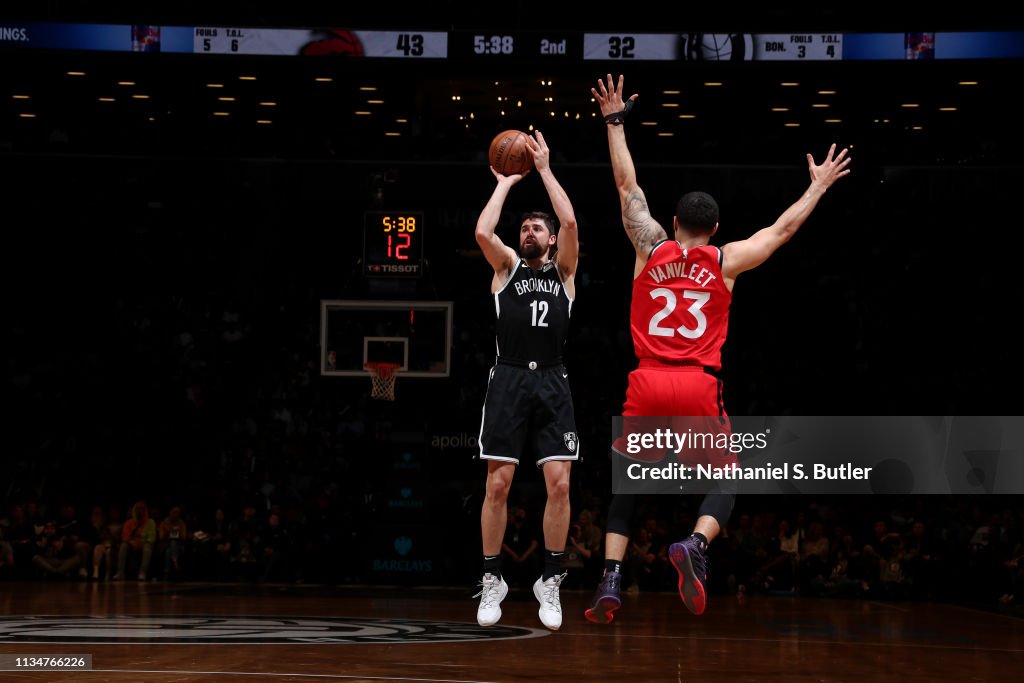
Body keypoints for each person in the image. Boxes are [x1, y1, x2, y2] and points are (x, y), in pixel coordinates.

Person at [585, 73, 851, 624]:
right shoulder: (726, 261)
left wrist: (615, 123)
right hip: (698, 382)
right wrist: (818, 186)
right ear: (716, 227)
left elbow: (625, 185)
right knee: (726, 481)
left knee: (628, 485)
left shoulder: (649, 247)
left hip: (648, 379)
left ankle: (609, 581)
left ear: (675, 222)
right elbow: (779, 231)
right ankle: (696, 545)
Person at [474, 130, 580, 631]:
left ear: (552, 238)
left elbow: (573, 219)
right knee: (499, 483)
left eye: (539, 227)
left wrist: (542, 168)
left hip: (553, 380)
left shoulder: (564, 272)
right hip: (510, 379)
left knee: (559, 484)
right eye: (526, 228)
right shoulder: (506, 269)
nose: (530, 232)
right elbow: (481, 232)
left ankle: (551, 579)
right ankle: (493, 577)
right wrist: (504, 183)